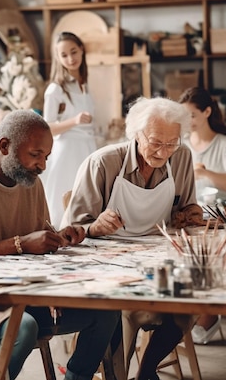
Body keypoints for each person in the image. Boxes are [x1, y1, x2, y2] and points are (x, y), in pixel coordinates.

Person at [0, 109, 121, 380]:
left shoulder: (31, 183)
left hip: (20, 294)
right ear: (5, 146)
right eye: (35, 155)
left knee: (106, 313)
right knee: (23, 328)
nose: (42, 165)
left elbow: (38, 241)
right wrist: (22, 244)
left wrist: (60, 239)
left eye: (46, 157)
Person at [62, 96, 205, 380]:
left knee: (196, 300)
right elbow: (71, 230)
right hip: (109, 258)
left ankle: (147, 367)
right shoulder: (103, 163)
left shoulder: (182, 156)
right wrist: (95, 227)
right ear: (136, 134)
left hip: (159, 252)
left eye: (171, 143)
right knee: (122, 311)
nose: (164, 152)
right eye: (155, 142)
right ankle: (117, 372)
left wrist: (190, 214)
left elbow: (184, 208)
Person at [178, 87, 226, 345]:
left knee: (210, 258)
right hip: (190, 216)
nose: (187, 122)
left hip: (220, 217)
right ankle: (191, 313)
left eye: (192, 115)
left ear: (207, 112)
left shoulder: (225, 144)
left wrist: (204, 173)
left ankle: (207, 313)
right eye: (184, 117)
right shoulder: (181, 145)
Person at [41, 31, 96, 227]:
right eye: (64, 55)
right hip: (67, 150)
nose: (71, 59)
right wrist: (74, 121)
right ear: (58, 58)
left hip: (87, 147)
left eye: (74, 52)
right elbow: (47, 128)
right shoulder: (56, 89)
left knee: (86, 196)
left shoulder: (85, 85)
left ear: (81, 50)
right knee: (62, 199)